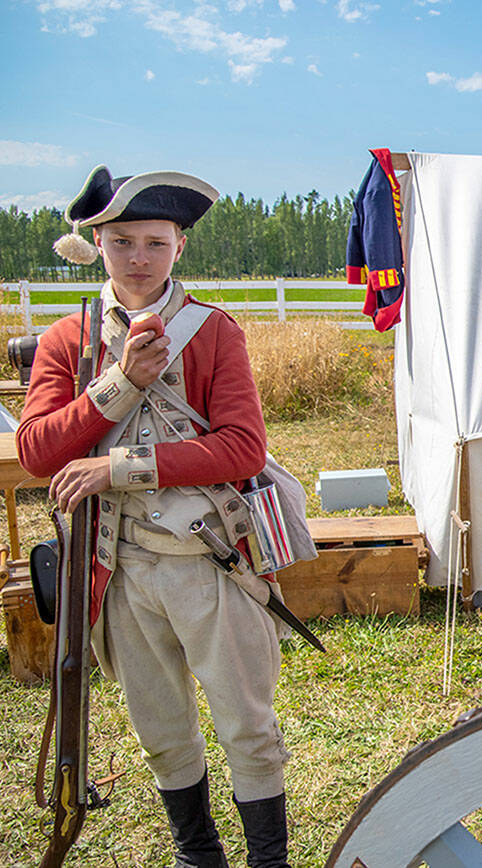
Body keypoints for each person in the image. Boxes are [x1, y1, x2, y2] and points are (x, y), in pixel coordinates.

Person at [18, 165, 293, 868]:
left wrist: (117, 468)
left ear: (179, 248)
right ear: (99, 246)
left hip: (208, 562)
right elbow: (38, 451)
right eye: (122, 243)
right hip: (119, 566)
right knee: (162, 731)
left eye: (154, 242)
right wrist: (120, 384)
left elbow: (242, 448)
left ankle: (268, 861)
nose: (138, 258)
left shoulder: (211, 331)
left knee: (248, 728)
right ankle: (198, 855)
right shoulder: (67, 340)